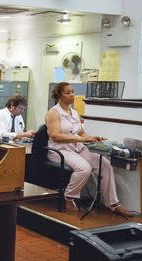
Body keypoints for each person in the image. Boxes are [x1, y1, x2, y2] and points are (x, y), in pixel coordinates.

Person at [46, 82, 134, 216]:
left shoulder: (74, 113)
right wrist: (81, 139)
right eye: (67, 92)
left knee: (105, 164)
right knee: (84, 168)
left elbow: (81, 133)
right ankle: (69, 196)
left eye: (72, 92)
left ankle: (113, 203)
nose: (72, 95)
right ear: (59, 95)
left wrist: (92, 138)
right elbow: (55, 135)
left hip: (77, 148)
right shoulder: (53, 113)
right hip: (60, 150)